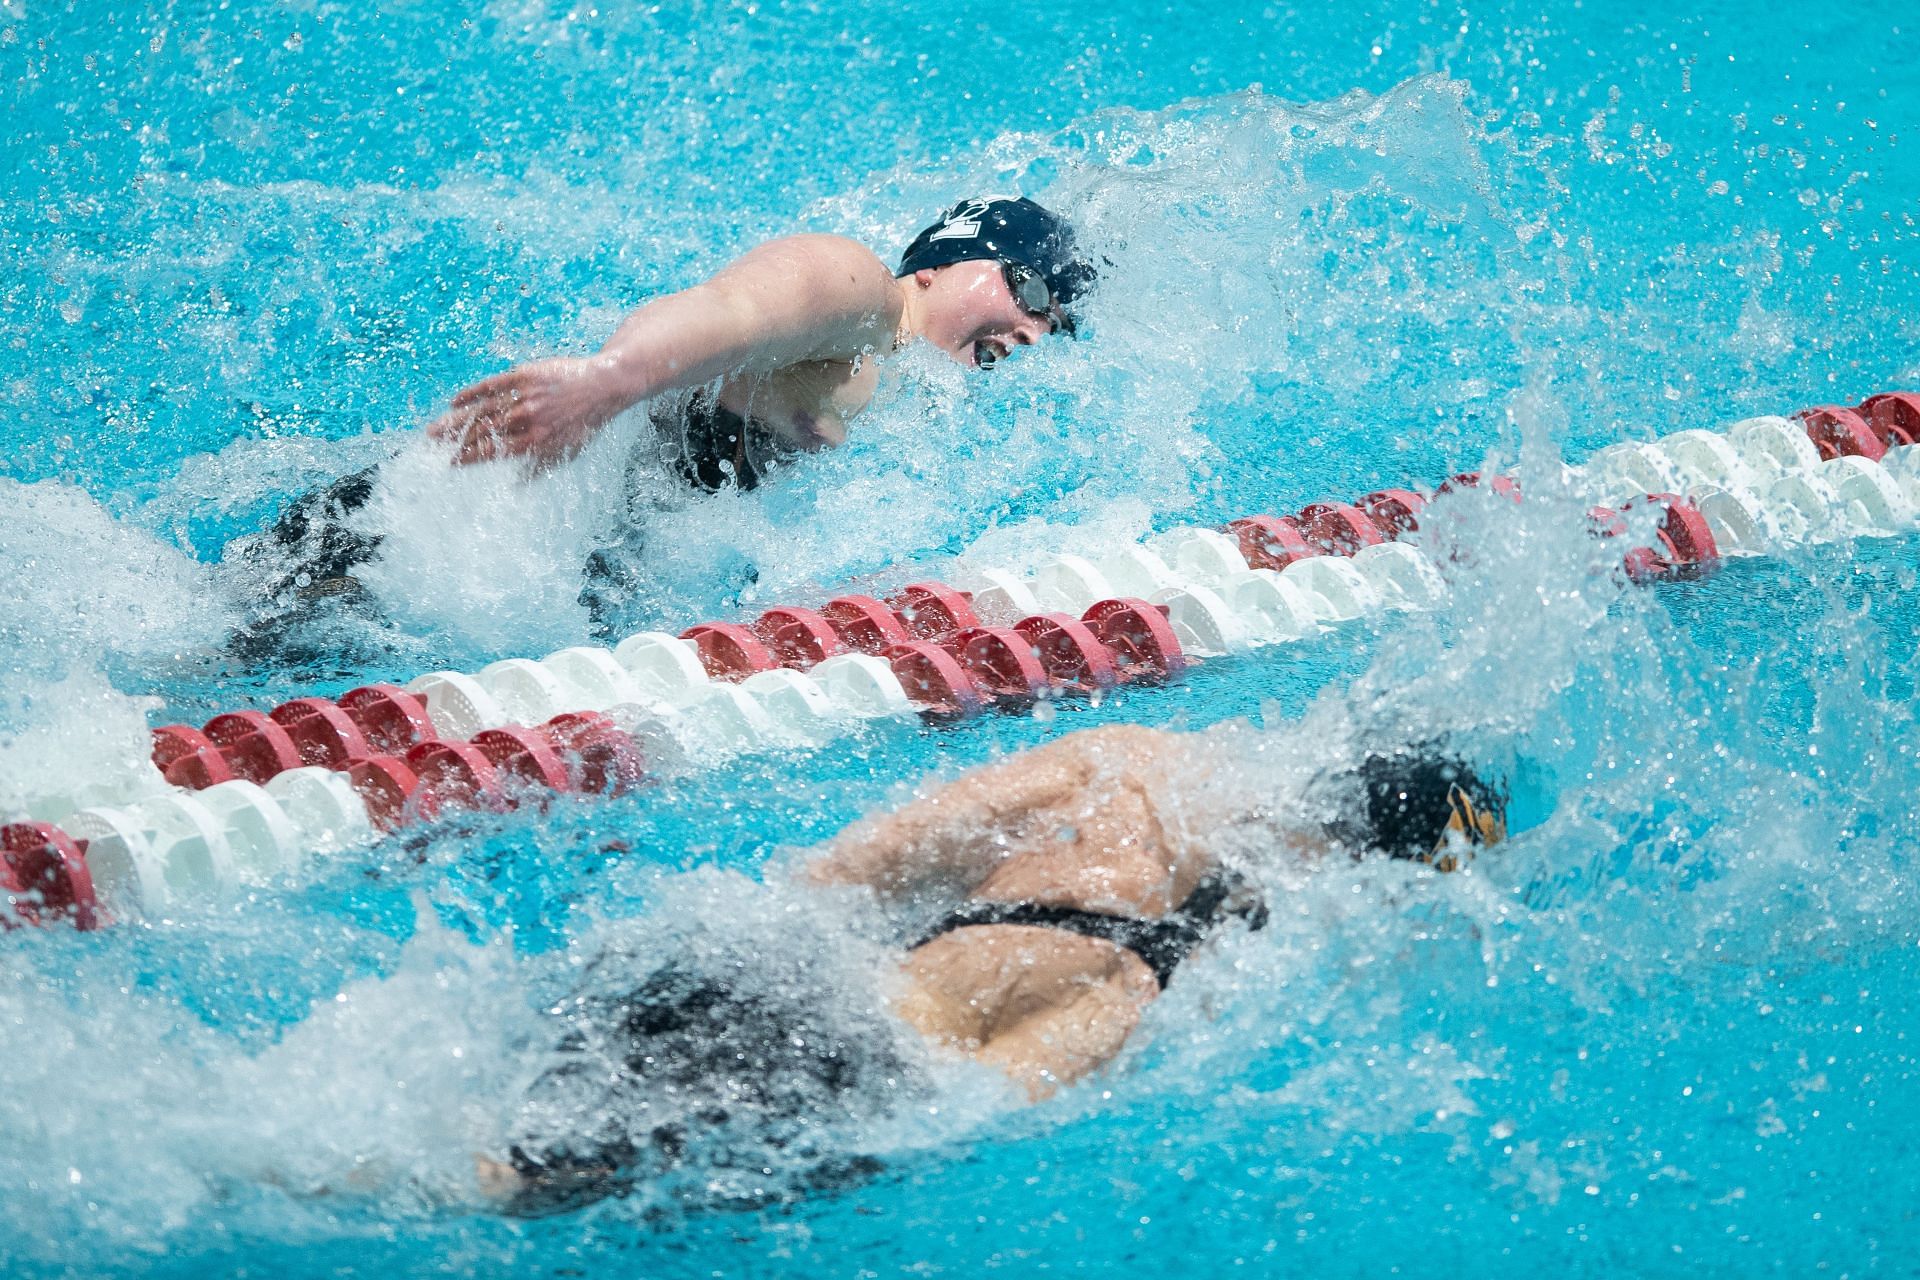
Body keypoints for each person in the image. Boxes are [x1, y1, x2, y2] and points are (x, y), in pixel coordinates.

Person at [478, 723, 1510, 1216]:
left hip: (766, 967)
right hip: (844, 1069)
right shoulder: (1216, 953)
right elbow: (990, 1096)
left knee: (461, 1134)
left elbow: (858, 861)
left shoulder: (1135, 766)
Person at [230, 197, 1096, 649]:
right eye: (1027, 289)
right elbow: (733, 310)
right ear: (943, 260)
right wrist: (612, 381)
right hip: (405, 543)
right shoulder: (860, 296)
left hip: (536, 569)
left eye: (1052, 326)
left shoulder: (907, 398)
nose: (1031, 328)